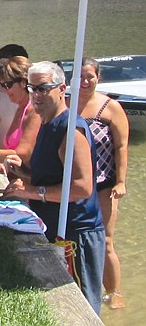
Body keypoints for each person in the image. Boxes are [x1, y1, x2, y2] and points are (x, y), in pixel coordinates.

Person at [3, 61, 105, 315]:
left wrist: (30, 192)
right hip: (54, 225)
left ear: (61, 89)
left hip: (76, 234)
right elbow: (52, 175)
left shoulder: (70, 129)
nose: (36, 95)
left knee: (81, 308)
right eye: (31, 88)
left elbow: (82, 187)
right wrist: (23, 172)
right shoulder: (47, 123)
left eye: (43, 88)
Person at [69, 57, 129, 310]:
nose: (84, 81)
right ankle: (81, 288)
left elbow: (121, 146)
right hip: (73, 185)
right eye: (79, 77)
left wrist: (122, 182)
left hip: (105, 184)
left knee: (105, 241)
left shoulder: (110, 107)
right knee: (73, 238)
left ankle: (114, 293)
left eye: (89, 76)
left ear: (98, 78)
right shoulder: (66, 104)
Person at [0, 56, 41, 165]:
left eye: (8, 85)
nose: (5, 90)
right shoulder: (20, 107)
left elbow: (23, 154)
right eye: (2, 85)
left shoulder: (34, 110)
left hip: (29, 179)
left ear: (23, 82)